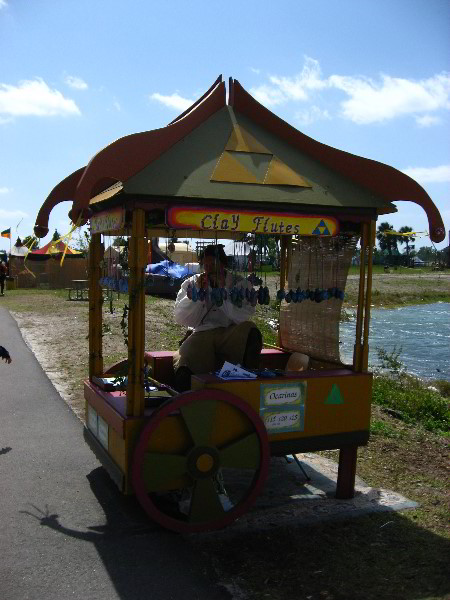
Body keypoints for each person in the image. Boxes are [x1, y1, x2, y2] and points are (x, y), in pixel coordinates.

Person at [173, 244, 262, 391]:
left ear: (223, 264)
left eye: (213, 264)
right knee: (185, 362)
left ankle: (248, 384)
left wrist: (223, 291)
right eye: (205, 265)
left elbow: (242, 316)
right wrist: (197, 295)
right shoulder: (191, 283)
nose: (209, 269)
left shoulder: (239, 284)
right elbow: (181, 317)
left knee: (250, 331)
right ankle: (188, 400)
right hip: (202, 332)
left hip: (229, 332)